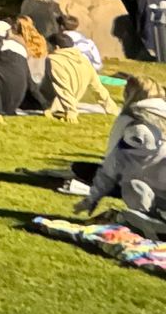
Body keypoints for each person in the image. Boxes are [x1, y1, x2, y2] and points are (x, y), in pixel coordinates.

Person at [74, 76, 166, 218]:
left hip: (143, 186)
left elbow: (113, 160)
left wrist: (92, 199)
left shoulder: (131, 120)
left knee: (83, 169)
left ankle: (147, 216)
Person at [42, 34, 97, 123]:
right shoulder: (84, 60)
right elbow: (98, 87)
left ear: (57, 47)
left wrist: (71, 111)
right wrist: (111, 108)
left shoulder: (53, 60)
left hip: (51, 101)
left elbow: (62, 87)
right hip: (70, 100)